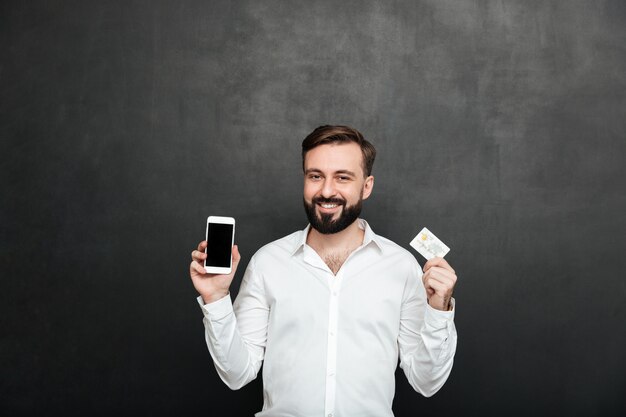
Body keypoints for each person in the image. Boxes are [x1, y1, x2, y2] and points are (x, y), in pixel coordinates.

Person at [189, 125, 458, 417]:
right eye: (315, 176)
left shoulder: (402, 266)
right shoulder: (268, 262)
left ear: (366, 186)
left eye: (342, 177)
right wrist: (216, 299)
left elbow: (426, 382)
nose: (326, 191)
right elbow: (237, 374)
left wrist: (439, 309)